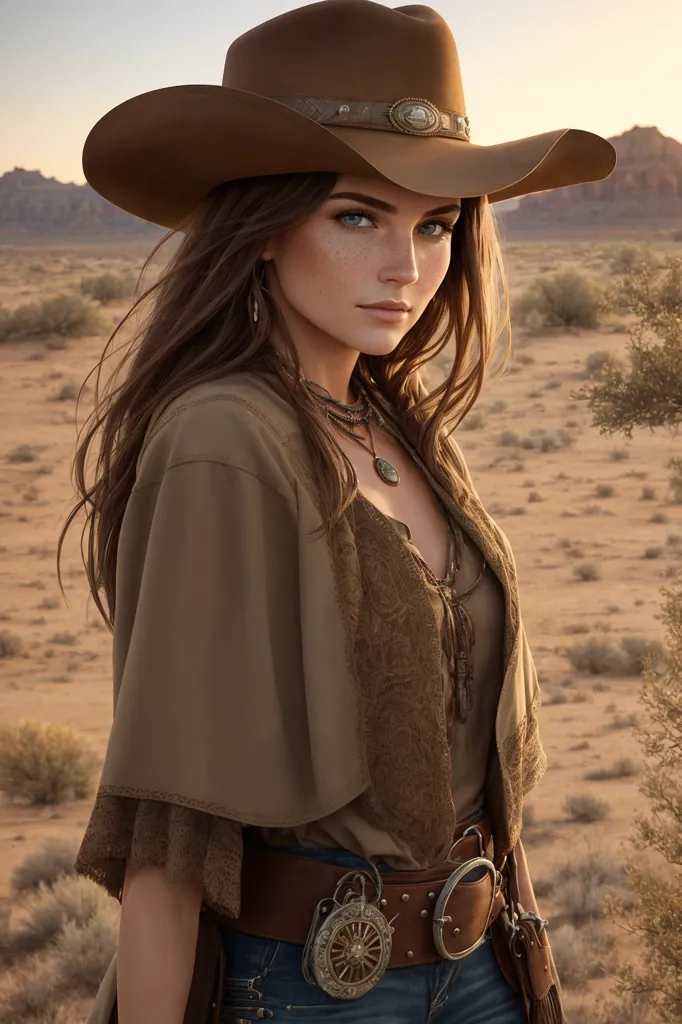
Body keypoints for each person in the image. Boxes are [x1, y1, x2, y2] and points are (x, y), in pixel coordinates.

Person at [61, 2, 617, 1022]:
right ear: (263, 226)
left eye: (434, 224)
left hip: (483, 963)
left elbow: (485, 774)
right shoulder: (223, 435)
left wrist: (532, 967)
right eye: (357, 216)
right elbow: (170, 823)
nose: (405, 267)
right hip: (318, 989)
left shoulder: (403, 429)